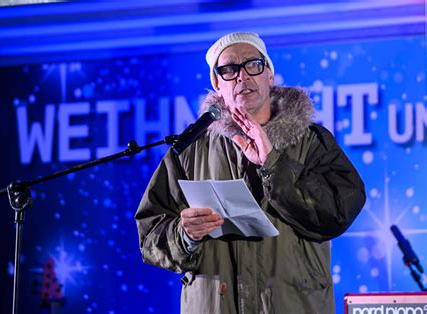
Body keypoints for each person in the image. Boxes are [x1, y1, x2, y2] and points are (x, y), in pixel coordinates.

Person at [135, 32, 365, 313]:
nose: (242, 76)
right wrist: (184, 235)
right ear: (217, 84)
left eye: (253, 64)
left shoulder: (311, 141)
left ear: (269, 75)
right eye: (229, 70)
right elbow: (149, 235)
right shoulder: (189, 150)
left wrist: (273, 162)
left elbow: (338, 212)